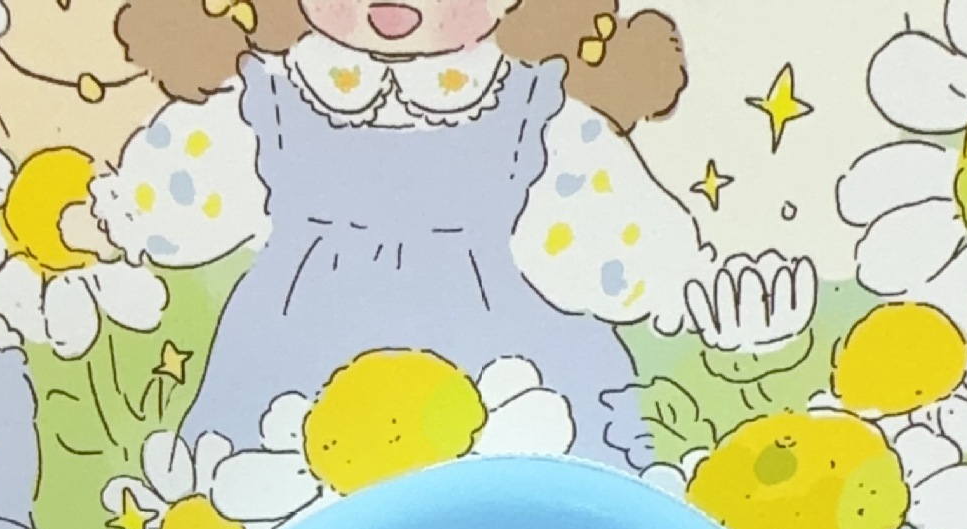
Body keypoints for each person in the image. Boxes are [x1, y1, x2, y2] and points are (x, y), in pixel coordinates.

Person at [91, 0, 785, 464]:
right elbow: (182, 199)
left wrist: (693, 291)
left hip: (509, 373)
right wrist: (115, 218)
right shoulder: (269, 98)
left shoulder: (531, 111)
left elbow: (606, 240)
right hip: (299, 365)